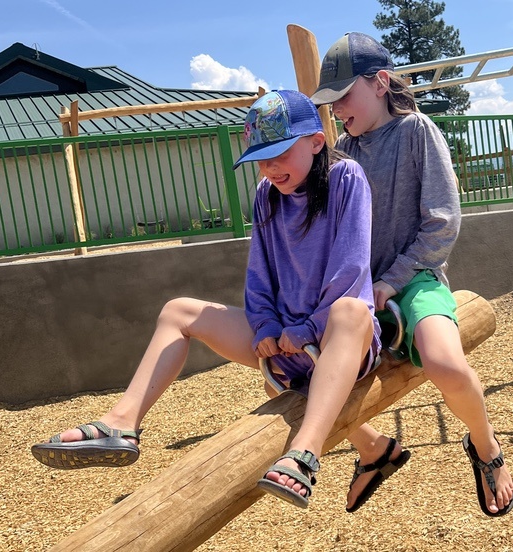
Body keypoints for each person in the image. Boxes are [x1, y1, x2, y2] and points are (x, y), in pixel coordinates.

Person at [31, 89, 382, 509]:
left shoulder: (346, 178)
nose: (270, 167)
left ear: (316, 142)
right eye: (261, 159)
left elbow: (350, 269)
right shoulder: (267, 194)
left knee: (350, 310)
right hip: (286, 343)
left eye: (280, 154)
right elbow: (260, 274)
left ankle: (304, 453)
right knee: (178, 311)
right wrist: (266, 326)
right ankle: (121, 424)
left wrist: (308, 328)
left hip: (340, 340)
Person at [310, 32, 513, 517]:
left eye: (344, 95)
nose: (336, 108)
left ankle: (485, 444)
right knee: (298, 374)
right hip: (359, 291)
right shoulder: (342, 152)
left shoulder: (417, 131)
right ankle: (374, 449)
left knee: (446, 365)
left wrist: (394, 280)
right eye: (330, 100)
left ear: (380, 82)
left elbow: (442, 222)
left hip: (417, 277)